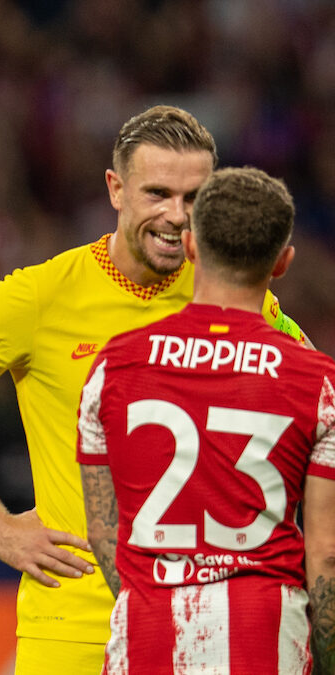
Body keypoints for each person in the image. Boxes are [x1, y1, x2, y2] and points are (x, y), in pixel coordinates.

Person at [0, 106, 309, 673]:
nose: (177, 216)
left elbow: (315, 395)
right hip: (76, 626)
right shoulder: (39, 296)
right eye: (157, 193)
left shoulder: (235, 294)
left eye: (194, 197)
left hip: (203, 626)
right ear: (116, 189)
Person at [77, 166, 335, 673]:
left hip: (145, 635)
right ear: (282, 262)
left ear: (191, 246)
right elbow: (326, 554)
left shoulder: (113, 367)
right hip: (266, 639)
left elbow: (104, 532)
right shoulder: (317, 381)